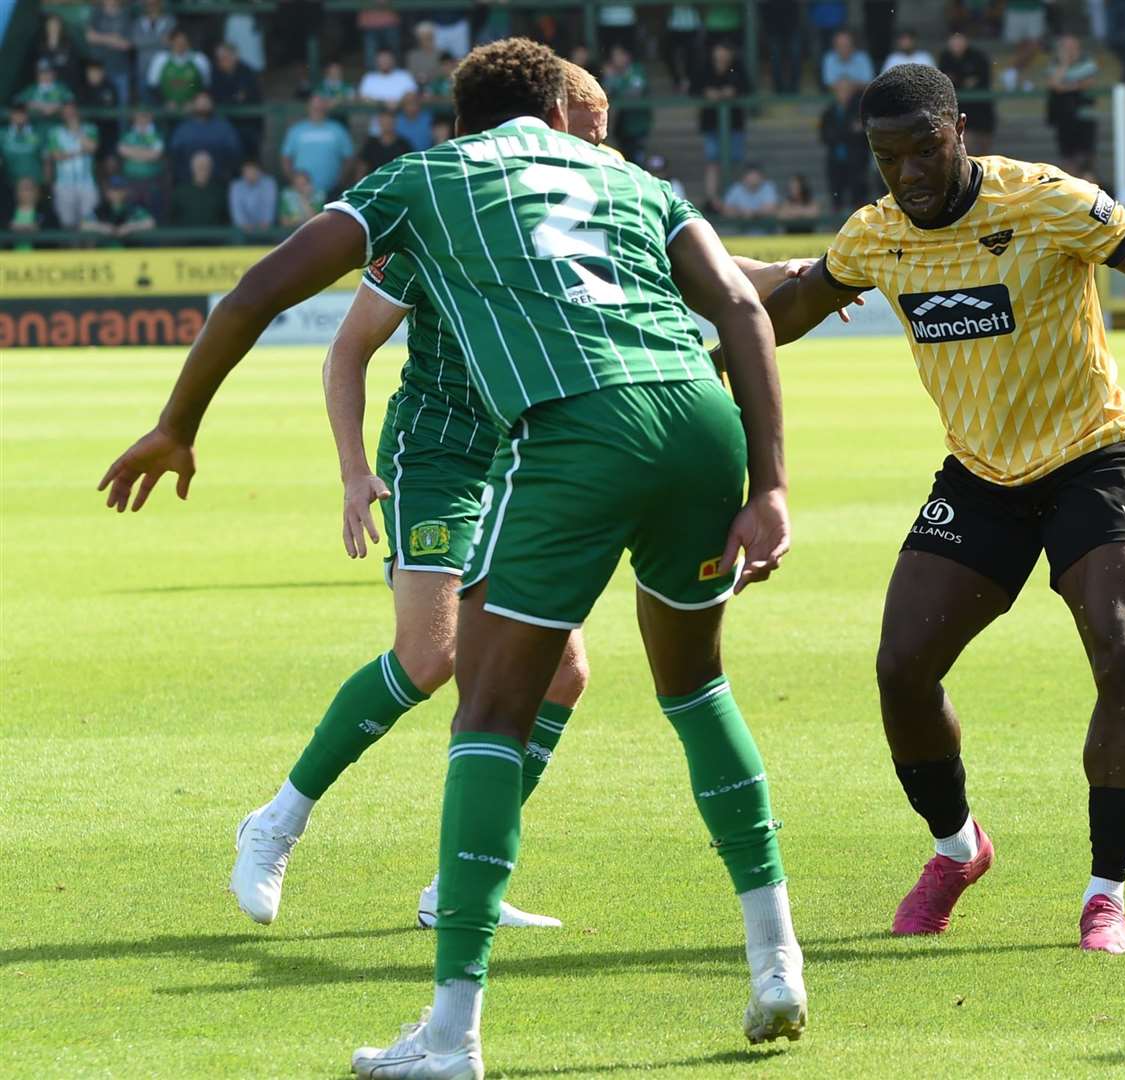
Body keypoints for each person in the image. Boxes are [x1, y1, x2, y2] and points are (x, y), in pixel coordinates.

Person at [99, 35, 807, 1079]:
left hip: (570, 432)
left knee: (487, 706)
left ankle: (452, 1034)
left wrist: (177, 424)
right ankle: (776, 959)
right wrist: (773, 485)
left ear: (462, 115)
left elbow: (256, 291)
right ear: (563, 113)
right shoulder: (624, 175)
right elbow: (741, 304)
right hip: (698, 421)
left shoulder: (426, 177)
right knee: (693, 689)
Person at [753, 63, 1125, 955]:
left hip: (1093, 462)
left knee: (1123, 653)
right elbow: (789, 310)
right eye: (885, 157)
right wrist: (714, 329)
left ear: (961, 131)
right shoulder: (876, 235)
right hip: (980, 479)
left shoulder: (1047, 201)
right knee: (902, 668)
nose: (906, 174)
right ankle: (957, 849)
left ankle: (1106, 896)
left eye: (924, 149)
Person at [693, 41, 752, 207]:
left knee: (735, 160)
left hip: (734, 124)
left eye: (725, 51)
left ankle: (732, 199)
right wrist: (707, 93)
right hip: (711, 123)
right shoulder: (705, 68)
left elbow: (747, 87)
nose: (722, 55)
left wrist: (732, 91)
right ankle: (712, 199)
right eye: (719, 51)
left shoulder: (738, 68)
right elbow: (694, 88)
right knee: (713, 161)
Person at [281, 95, 355, 200]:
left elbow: (349, 157)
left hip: (331, 191)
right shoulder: (296, 130)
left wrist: (340, 180)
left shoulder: (338, 129)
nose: (317, 110)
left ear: (326, 108)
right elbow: (286, 158)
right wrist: (293, 180)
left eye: (321, 106)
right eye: (314, 107)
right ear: (308, 107)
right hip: (302, 193)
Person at [1046, 34, 1099, 176]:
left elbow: (1087, 83)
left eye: (1072, 47)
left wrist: (1066, 86)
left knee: (1086, 156)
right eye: (1065, 48)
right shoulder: (1055, 65)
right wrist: (1065, 64)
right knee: (1067, 157)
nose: (1069, 51)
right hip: (1064, 117)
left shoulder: (1088, 63)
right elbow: (1054, 84)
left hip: (1085, 116)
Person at [168, 92, 244, 183]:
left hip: (219, 179)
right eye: (200, 103)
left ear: (212, 105)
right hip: (187, 180)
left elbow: (235, 151)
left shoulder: (224, 126)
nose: (203, 106)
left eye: (206, 103)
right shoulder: (183, 127)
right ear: (194, 105)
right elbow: (174, 151)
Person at [940, 32, 995, 156]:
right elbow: (946, 80)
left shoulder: (978, 57)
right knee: (966, 144)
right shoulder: (945, 58)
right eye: (953, 42)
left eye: (959, 41)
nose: (956, 45)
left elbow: (982, 79)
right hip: (960, 107)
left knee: (984, 145)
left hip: (981, 107)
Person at [46, 102, 100, 228]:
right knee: (67, 224)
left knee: (90, 223)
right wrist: (80, 151)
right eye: (66, 112)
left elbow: (92, 148)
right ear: (62, 115)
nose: (70, 115)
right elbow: (56, 156)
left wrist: (77, 131)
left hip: (87, 183)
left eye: (72, 111)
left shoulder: (90, 129)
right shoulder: (55, 132)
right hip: (64, 184)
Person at [820, 77, 871, 211]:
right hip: (835, 161)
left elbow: (863, 134)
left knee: (858, 199)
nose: (843, 93)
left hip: (856, 161)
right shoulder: (829, 112)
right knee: (837, 198)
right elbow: (825, 136)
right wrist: (849, 131)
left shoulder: (859, 110)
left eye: (846, 90)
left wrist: (840, 133)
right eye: (840, 90)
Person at [210, 43, 263, 156]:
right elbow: (216, 97)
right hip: (224, 123)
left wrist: (233, 98)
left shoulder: (247, 71)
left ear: (234, 56)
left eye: (226, 57)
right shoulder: (215, 73)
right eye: (220, 58)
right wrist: (235, 98)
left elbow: (249, 96)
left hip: (248, 124)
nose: (223, 61)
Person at [602, 43, 650, 162]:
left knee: (637, 158)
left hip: (638, 122)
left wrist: (617, 79)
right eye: (614, 56)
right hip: (620, 124)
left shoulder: (636, 70)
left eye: (618, 55)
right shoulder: (612, 73)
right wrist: (610, 78)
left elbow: (635, 93)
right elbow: (605, 93)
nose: (615, 59)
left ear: (627, 56)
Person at [147, 29, 211, 109]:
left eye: (183, 42)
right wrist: (165, 101)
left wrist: (194, 102)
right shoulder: (160, 59)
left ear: (188, 43)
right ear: (171, 42)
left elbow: (205, 86)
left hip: (193, 109)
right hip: (166, 108)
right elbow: (153, 86)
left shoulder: (199, 59)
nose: (180, 45)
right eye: (177, 42)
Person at [86, 0, 135, 106]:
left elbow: (127, 44)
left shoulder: (126, 14)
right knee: (99, 106)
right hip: (99, 70)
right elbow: (90, 37)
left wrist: (100, 38)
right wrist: (112, 39)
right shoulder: (97, 13)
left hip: (120, 69)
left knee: (122, 108)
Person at [82, 176, 155, 246]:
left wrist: (130, 227)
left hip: (129, 252)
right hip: (103, 253)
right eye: (113, 190)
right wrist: (102, 228)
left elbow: (149, 222)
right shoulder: (100, 209)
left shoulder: (132, 208)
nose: (116, 193)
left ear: (125, 191)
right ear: (107, 192)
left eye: (119, 190)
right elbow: (84, 224)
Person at [118, 108, 166, 213]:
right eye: (139, 116)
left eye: (145, 116)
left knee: (153, 212)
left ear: (150, 118)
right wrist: (146, 153)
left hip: (151, 181)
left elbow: (156, 154)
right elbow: (122, 150)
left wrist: (134, 153)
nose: (142, 120)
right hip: (131, 180)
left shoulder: (157, 135)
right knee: (131, 213)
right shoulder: (128, 135)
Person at [131, 0, 176, 106]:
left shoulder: (170, 21)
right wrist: (160, 40)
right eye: (149, 5)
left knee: (166, 105)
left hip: (165, 72)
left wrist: (146, 40)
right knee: (146, 105)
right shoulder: (138, 22)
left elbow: (171, 42)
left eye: (155, 4)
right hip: (143, 70)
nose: (152, 7)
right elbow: (136, 42)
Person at [170, 149, 228, 230]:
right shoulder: (180, 191)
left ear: (211, 168)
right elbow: (172, 219)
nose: (202, 168)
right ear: (192, 167)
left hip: (214, 240)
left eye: (206, 165)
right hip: (186, 240)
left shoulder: (220, 192)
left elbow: (226, 219)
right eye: (199, 165)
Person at [77, 60, 122, 161]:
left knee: (110, 160)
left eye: (96, 72)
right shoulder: (82, 88)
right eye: (90, 72)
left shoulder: (109, 87)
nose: (93, 75)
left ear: (102, 73)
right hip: (88, 129)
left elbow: (109, 108)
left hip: (107, 129)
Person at [1001, 0, 1049, 89]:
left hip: (1035, 10)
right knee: (1021, 49)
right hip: (1014, 10)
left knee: (1035, 45)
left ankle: (1010, 70)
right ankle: (1022, 79)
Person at [16, 61, 74, 131]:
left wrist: (57, 106)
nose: (45, 76)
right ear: (37, 75)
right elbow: (18, 102)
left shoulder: (61, 88)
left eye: (48, 73)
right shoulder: (31, 89)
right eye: (42, 73)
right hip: (34, 126)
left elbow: (70, 101)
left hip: (58, 126)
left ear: (54, 74)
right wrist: (36, 105)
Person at [6, 177, 59, 250]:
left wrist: (39, 229)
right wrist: (10, 227)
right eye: (22, 189)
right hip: (9, 258)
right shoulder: (7, 212)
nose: (25, 192)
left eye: (28, 189)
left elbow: (55, 233)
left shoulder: (46, 212)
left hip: (38, 258)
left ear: (36, 191)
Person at [1, 106, 45, 188]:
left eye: (22, 115)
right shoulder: (2, 134)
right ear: (11, 116)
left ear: (27, 116)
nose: (19, 118)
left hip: (35, 180)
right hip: (9, 181)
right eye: (16, 115)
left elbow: (45, 157)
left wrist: (45, 180)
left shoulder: (37, 132)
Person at [229, 159, 278, 232]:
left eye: (253, 171)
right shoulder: (236, 186)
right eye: (247, 171)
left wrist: (266, 222)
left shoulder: (269, 183)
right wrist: (243, 225)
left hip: (266, 230)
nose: (250, 174)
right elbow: (237, 210)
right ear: (242, 173)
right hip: (243, 231)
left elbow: (269, 206)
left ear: (260, 172)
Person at [361, 109, 414, 175]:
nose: (387, 124)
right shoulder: (370, 144)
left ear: (395, 122)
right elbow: (362, 167)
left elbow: (410, 168)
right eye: (384, 121)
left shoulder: (404, 145)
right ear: (379, 122)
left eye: (390, 121)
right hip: (375, 182)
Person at [406, 22, 443, 87]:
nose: (427, 41)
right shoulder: (412, 55)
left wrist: (428, 77)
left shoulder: (441, 53)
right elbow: (411, 73)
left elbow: (444, 72)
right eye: (423, 38)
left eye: (429, 37)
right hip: (417, 86)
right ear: (419, 39)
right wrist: (420, 78)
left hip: (438, 86)